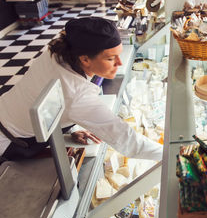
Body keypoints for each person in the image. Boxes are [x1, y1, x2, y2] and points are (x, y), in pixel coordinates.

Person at [0, 17, 163, 163]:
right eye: (110, 58)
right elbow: (128, 141)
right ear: (84, 59)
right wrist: (172, 154)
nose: (119, 63)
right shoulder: (77, 95)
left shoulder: (60, 50)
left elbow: (54, 101)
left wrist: (71, 126)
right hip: (11, 141)